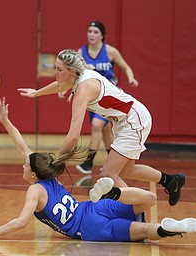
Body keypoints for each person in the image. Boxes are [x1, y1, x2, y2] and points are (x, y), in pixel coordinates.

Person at [0, 97, 196, 241]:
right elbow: (23, 148)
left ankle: (165, 229)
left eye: (25, 166)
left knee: (143, 232)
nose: (23, 165)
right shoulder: (51, 170)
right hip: (91, 206)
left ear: (33, 174)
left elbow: (21, 222)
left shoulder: (35, 190)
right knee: (149, 199)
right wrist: (6, 121)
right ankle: (117, 194)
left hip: (88, 227)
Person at [18, 49, 185, 206]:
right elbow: (61, 85)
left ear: (72, 72)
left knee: (108, 174)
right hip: (125, 120)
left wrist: (57, 161)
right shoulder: (80, 77)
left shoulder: (83, 89)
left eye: (59, 70)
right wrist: (36, 92)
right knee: (127, 170)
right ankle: (171, 181)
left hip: (133, 120)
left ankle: (136, 211)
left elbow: (74, 136)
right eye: (55, 68)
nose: (55, 73)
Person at [73, 20, 139, 175]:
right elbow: (73, 74)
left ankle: (88, 162)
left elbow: (126, 67)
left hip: (108, 96)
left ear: (102, 36)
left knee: (97, 125)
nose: (92, 34)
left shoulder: (110, 51)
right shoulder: (81, 53)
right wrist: (65, 90)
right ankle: (114, 163)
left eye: (95, 32)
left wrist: (131, 78)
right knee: (105, 131)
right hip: (92, 97)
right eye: (90, 31)